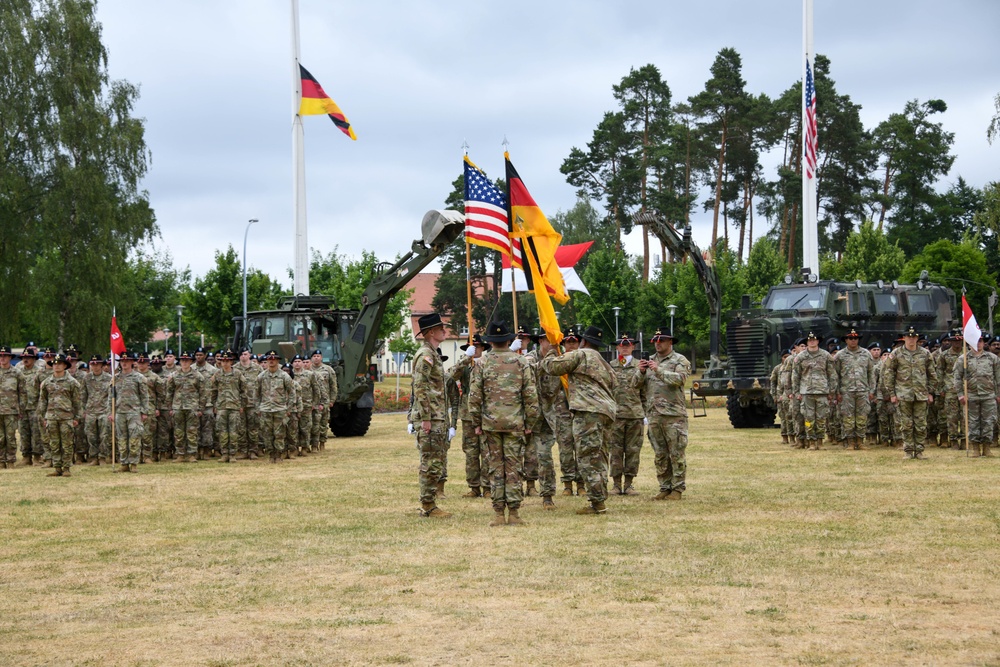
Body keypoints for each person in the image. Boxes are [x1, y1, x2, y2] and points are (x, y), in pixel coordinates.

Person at [468, 321, 540, 526]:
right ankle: (514, 513)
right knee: (513, 468)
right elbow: (531, 396)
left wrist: (476, 422)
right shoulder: (521, 362)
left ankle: (499, 513)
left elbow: (474, 397)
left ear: (490, 341)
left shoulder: (481, 363)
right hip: (515, 423)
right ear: (509, 340)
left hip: (490, 424)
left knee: (495, 468)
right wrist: (530, 422)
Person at [539, 325, 616, 515]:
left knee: (587, 457)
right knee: (601, 455)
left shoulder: (580, 355)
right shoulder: (603, 361)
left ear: (584, 341)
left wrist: (551, 351)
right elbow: (615, 383)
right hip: (606, 412)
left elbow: (552, 367)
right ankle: (601, 496)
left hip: (587, 411)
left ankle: (597, 503)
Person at [638, 328, 692, 500]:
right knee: (660, 454)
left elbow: (680, 379)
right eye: (655, 340)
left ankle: (677, 489)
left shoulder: (680, 360)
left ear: (670, 342)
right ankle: (664, 487)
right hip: (654, 415)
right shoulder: (649, 361)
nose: (658, 343)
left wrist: (658, 370)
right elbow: (634, 385)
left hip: (673, 415)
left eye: (662, 340)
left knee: (676, 453)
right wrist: (640, 371)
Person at [409, 314, 452, 518]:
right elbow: (420, 386)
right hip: (431, 417)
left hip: (437, 416)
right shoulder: (425, 355)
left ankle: (430, 502)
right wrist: (425, 416)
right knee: (430, 461)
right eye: (440, 328)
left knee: (436, 461)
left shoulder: (433, 354)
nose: (444, 331)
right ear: (430, 332)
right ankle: (427, 505)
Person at [883, 327, 937, 459]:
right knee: (906, 424)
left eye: (914, 337)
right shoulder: (896, 354)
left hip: (921, 394)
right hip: (903, 394)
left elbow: (932, 375)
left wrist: (930, 392)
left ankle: (919, 450)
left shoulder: (925, 354)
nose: (911, 339)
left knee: (921, 424)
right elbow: (889, 374)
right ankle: (908, 450)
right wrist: (892, 393)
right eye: (909, 336)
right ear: (904, 338)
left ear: (917, 338)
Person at [447, 334, 489, 497]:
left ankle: (487, 487)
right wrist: (466, 358)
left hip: (485, 413)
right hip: (468, 415)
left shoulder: (487, 363)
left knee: (487, 452)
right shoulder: (464, 365)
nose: (476, 349)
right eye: (473, 347)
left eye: (478, 346)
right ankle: (474, 487)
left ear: (483, 348)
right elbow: (449, 376)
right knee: (471, 452)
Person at [609, 333, 645, 495]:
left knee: (633, 450)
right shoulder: (610, 366)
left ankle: (629, 484)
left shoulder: (641, 366)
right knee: (615, 451)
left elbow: (645, 391)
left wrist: (645, 413)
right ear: (617, 347)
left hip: (634, 414)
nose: (625, 346)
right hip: (615, 416)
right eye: (621, 344)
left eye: (628, 344)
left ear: (633, 347)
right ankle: (616, 484)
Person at [954, 334, 1000, 457]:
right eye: (975, 341)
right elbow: (957, 378)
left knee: (989, 421)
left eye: (981, 341)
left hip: (989, 395)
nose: (978, 343)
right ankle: (975, 448)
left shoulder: (992, 358)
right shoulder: (963, 359)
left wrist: (998, 394)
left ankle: (986, 448)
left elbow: (998, 377)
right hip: (971, 395)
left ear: (984, 343)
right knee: (972, 422)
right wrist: (960, 394)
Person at [38, 353, 82, 477]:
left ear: (64, 366)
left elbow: (77, 402)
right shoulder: (46, 382)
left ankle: (67, 467)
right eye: (54, 364)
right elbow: (43, 401)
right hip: (51, 417)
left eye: (59, 364)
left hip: (66, 417)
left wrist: (77, 417)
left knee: (67, 443)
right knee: (54, 443)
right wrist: (43, 417)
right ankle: (57, 467)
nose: (56, 366)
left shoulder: (72, 382)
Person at [792, 332, 837, 451]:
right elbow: (795, 376)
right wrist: (797, 392)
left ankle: (820, 441)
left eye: (814, 340)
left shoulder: (826, 355)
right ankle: (811, 441)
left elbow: (832, 375)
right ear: (807, 342)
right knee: (808, 418)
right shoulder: (801, 357)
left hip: (822, 391)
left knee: (821, 418)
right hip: (806, 392)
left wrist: (831, 392)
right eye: (809, 340)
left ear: (818, 341)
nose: (812, 342)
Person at [109, 352, 150, 473]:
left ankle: (133, 463)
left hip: (134, 412)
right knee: (121, 439)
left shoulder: (139, 377)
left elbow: (144, 396)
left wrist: (144, 411)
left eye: (127, 361)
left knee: (134, 438)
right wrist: (110, 412)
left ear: (132, 362)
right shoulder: (115, 378)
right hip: (120, 412)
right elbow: (110, 397)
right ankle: (124, 463)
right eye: (122, 361)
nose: (124, 363)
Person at [834, 329, 875, 451]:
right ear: (846, 340)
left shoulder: (866, 354)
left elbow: (871, 373)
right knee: (848, 417)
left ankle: (860, 441)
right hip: (846, 391)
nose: (853, 340)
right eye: (850, 338)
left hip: (863, 391)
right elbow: (835, 375)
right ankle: (850, 442)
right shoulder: (840, 355)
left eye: (855, 338)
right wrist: (837, 392)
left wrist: (871, 391)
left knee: (862, 417)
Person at [209, 349, 247, 463]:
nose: (225, 363)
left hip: (234, 407)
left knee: (234, 432)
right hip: (221, 407)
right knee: (222, 432)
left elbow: (244, 390)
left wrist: (242, 405)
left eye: (227, 361)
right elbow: (213, 391)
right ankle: (224, 454)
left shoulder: (238, 374)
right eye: (223, 361)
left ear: (231, 362)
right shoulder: (217, 374)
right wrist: (214, 405)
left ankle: (233, 454)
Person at [257, 350, 295, 463]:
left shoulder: (284, 376)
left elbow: (292, 393)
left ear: (278, 361)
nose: (271, 361)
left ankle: (278, 455)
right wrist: (257, 407)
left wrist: (289, 408)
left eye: (273, 360)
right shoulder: (261, 376)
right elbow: (256, 393)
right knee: (267, 433)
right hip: (265, 409)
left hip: (280, 409)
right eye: (269, 359)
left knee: (279, 433)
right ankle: (270, 454)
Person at [166, 351, 205, 462]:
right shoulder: (174, 375)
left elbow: (203, 392)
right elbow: (169, 392)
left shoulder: (197, 375)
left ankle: (192, 454)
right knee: (178, 432)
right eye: (183, 360)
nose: (184, 362)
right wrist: (170, 408)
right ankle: (180, 454)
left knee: (192, 432)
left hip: (192, 407)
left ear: (191, 361)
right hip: (178, 407)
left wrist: (200, 408)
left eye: (187, 360)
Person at [81, 355, 112, 465]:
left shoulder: (109, 378)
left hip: (104, 410)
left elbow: (111, 396)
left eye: (97, 364)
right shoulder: (87, 378)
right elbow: (83, 395)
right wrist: (83, 410)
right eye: (92, 364)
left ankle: (103, 456)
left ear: (102, 365)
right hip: (91, 410)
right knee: (91, 435)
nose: (95, 366)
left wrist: (111, 411)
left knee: (104, 435)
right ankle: (93, 457)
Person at [937, 331, 965, 449]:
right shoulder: (944, 355)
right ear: (951, 341)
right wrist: (941, 388)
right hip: (950, 389)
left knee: (965, 416)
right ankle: (953, 440)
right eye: (954, 340)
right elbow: (939, 372)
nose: (957, 343)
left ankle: (964, 440)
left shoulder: (967, 354)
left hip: (965, 389)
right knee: (951, 416)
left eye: (959, 340)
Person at [15, 343, 43, 466]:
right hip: (22, 407)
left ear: (33, 359)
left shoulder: (39, 372)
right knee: (23, 432)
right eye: (23, 358)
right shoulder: (18, 371)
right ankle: (26, 456)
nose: (25, 360)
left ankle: (37, 456)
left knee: (36, 432)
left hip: (35, 406)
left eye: (28, 358)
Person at [308, 350, 338, 451]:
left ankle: (322, 442)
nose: (316, 358)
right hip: (311, 400)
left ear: (321, 357)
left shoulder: (328, 369)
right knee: (312, 423)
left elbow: (333, 386)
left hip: (324, 401)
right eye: (314, 356)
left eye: (318, 356)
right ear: (311, 358)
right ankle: (313, 444)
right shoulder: (308, 369)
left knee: (323, 423)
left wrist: (332, 400)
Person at [235, 348, 262, 459]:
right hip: (239, 403)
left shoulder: (257, 368)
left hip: (253, 402)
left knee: (253, 428)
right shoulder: (235, 369)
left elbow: (262, 385)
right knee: (241, 428)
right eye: (241, 354)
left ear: (250, 355)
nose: (243, 356)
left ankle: (253, 451)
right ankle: (243, 450)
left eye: (245, 354)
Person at [0, 346, 24, 469]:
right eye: (0, 355)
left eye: (5, 355)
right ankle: (1, 460)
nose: (2, 358)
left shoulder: (16, 373)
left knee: (10, 437)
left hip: (11, 410)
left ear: (10, 357)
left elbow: (22, 392)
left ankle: (10, 461)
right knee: (0, 437)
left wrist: (21, 409)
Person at [193, 347, 218, 458]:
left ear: (205, 355)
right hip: (194, 403)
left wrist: (215, 404)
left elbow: (217, 389)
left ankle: (207, 450)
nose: (199, 357)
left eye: (201, 355)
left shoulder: (213, 370)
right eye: (197, 355)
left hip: (208, 403)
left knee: (207, 428)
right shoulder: (191, 369)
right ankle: (197, 450)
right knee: (195, 427)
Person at [137, 354, 161, 463]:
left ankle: (147, 456)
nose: (141, 365)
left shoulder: (154, 377)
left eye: (143, 362)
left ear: (148, 363)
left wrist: (158, 408)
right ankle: (136, 456)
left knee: (147, 434)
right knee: (135, 434)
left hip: (149, 408)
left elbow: (161, 394)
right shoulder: (133, 376)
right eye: (139, 362)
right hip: (134, 408)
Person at [771, 349, 792, 444]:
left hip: (790, 396)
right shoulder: (777, 368)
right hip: (780, 396)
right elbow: (773, 382)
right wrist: (774, 395)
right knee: (783, 418)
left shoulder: (792, 368)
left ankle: (793, 437)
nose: (786, 358)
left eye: (788, 356)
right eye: (784, 357)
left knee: (791, 417)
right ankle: (784, 437)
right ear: (781, 358)